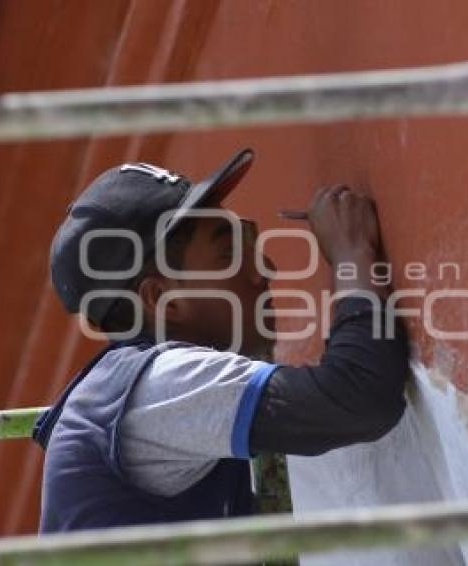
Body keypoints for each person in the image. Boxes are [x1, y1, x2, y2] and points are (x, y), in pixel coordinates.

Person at [34, 148, 408, 533]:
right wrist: (352, 255)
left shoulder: (122, 390)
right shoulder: (159, 383)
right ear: (162, 299)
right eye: (230, 254)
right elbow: (359, 398)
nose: (265, 269)